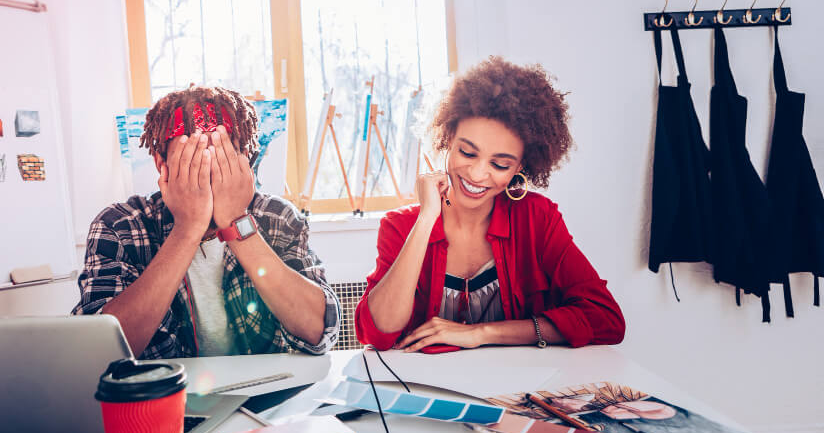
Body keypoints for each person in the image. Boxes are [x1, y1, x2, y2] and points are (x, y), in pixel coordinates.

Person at [354, 57, 625, 351]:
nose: (477, 174)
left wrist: (481, 333)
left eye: (499, 164)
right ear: (447, 139)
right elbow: (377, 334)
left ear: (521, 167)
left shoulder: (537, 218)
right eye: (468, 153)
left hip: (514, 388)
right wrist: (426, 219)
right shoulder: (400, 225)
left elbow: (606, 319)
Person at [73, 85, 340, 358]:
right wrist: (187, 229)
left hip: (269, 395)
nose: (209, 172)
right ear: (161, 165)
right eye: (192, 161)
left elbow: (319, 331)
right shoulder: (120, 226)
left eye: (223, 157)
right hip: (165, 397)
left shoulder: (277, 216)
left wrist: (238, 224)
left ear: (245, 161)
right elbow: (101, 353)